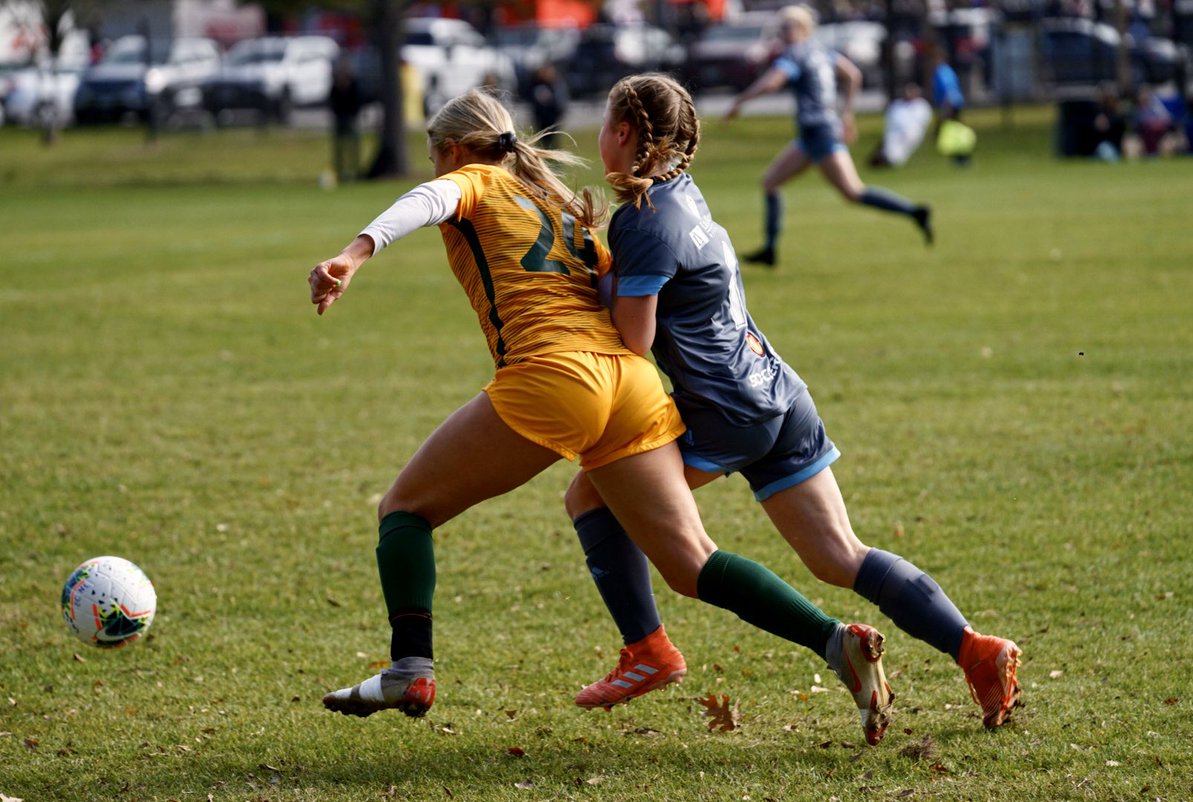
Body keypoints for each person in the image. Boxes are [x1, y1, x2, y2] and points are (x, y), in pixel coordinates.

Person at [308, 88, 894, 745]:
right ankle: (832, 640)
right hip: (633, 383)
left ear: (449, 151)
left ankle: (410, 667)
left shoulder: (470, 178)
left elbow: (429, 200)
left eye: (436, 159)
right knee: (690, 562)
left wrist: (353, 254)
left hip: (557, 379)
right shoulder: (561, 202)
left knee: (405, 510)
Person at [565, 73, 1023, 732]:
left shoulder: (640, 218)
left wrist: (591, 275)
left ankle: (645, 650)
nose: (599, 139)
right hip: (778, 391)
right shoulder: (683, 196)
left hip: (727, 414)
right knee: (840, 555)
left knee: (589, 496)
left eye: (606, 126)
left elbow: (633, 340)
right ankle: (976, 649)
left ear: (627, 134)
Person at [724, 5, 932, 268]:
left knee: (854, 192)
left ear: (801, 28)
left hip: (819, 133)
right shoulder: (821, 51)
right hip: (814, 134)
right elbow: (852, 75)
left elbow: (772, 83)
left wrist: (739, 102)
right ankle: (769, 249)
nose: (783, 32)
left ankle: (915, 212)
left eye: (787, 27)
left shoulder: (796, 54)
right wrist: (846, 115)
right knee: (770, 182)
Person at [869, 82, 932, 168]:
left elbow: (921, 123)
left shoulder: (922, 106)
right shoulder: (897, 105)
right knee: (891, 149)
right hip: (895, 134)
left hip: (911, 135)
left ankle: (887, 160)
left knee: (897, 155)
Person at [328, 56, 364, 184]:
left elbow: (358, 101)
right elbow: (331, 101)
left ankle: (355, 172)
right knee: (340, 149)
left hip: (351, 119)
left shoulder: (353, 83)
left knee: (353, 149)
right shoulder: (336, 84)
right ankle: (340, 173)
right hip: (340, 119)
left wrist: (354, 113)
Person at [527, 62, 570, 148]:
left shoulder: (556, 84)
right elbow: (531, 99)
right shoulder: (536, 85)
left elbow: (560, 101)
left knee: (553, 138)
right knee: (542, 138)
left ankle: (553, 154)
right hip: (541, 118)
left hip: (553, 117)